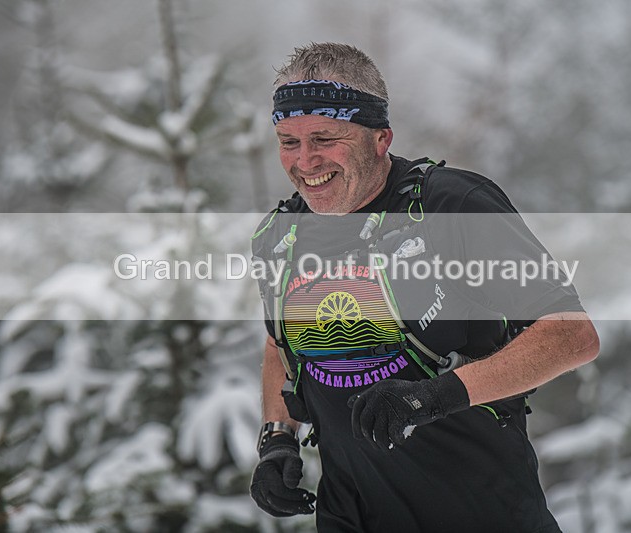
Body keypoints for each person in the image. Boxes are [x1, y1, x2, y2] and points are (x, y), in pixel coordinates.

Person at [249, 42, 599, 532]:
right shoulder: (280, 235)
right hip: (351, 519)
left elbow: (572, 335)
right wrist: (277, 437)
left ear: (380, 138)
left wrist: (432, 397)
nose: (305, 162)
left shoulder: (450, 205)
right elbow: (278, 342)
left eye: (325, 138)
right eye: (289, 141)